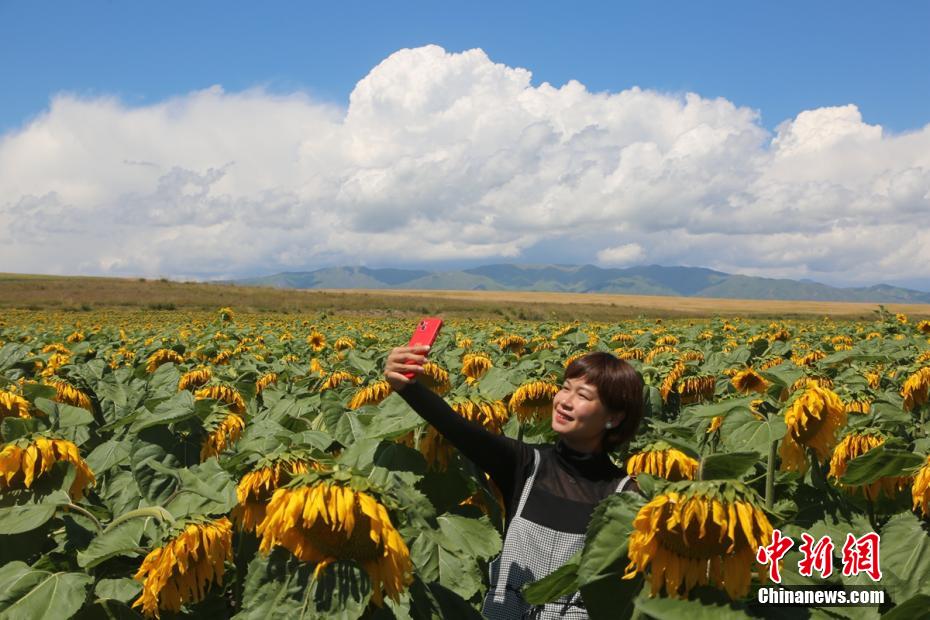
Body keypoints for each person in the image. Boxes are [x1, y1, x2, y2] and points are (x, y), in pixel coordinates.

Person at [384, 345, 644, 619]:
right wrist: (406, 386)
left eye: (583, 395)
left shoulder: (624, 495)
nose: (565, 401)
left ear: (614, 418)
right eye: (565, 388)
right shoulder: (526, 465)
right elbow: (457, 427)